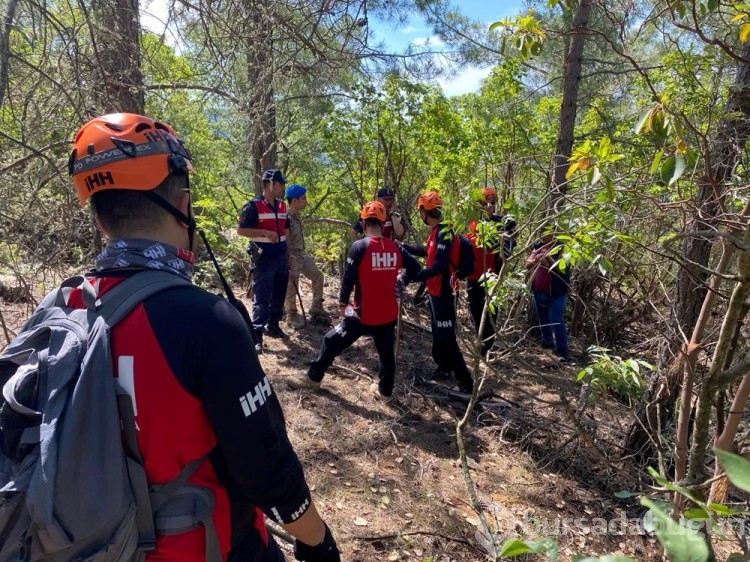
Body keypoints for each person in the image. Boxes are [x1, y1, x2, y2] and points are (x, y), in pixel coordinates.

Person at [67, 113, 340, 561]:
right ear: (184, 203)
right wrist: (318, 540)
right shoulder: (205, 320)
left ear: (100, 221)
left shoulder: (60, 310)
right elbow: (267, 469)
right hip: (211, 545)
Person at [287, 201, 421, 401]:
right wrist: (402, 280)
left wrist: (343, 305)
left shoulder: (359, 246)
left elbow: (348, 279)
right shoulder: (395, 248)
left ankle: (313, 378)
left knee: (330, 340)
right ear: (383, 222)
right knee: (386, 355)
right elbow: (416, 268)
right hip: (388, 314)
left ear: (363, 222)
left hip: (362, 314)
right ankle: (385, 392)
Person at [402, 191, 474, 394]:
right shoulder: (435, 231)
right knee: (437, 332)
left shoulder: (445, 232)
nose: (420, 216)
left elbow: (441, 265)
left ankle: (466, 383)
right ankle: (444, 367)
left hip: (444, 290)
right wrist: (403, 247)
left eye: (421, 212)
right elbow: (428, 252)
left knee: (447, 337)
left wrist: (416, 276)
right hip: (434, 290)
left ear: (426, 212)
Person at [238, 168, 291, 352]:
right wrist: (264, 233)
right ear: (270, 184)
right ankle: (257, 335)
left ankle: (274, 326)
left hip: (281, 256)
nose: (282, 187)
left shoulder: (283, 206)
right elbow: (241, 230)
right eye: (280, 184)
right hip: (264, 258)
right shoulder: (252, 206)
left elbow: (287, 231)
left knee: (279, 293)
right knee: (262, 296)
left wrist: (289, 255)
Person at [465, 187, 517, 355]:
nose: (491, 206)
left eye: (493, 203)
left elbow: (507, 250)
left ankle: (486, 347)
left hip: (491, 278)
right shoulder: (472, 224)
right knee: (476, 311)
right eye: (488, 202)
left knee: (490, 314)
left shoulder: (501, 224)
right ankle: (480, 342)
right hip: (473, 277)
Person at [284, 183, 330, 327]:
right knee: (292, 285)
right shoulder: (287, 217)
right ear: (295, 200)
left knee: (318, 276)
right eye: (303, 198)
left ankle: (316, 306)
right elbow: (286, 240)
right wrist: (288, 258)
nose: (306, 201)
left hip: (302, 254)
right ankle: (291, 314)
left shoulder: (296, 216)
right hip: (292, 255)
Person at [525, 231, 571, 360]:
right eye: (542, 233)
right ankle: (547, 343)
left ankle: (562, 349)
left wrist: (548, 257)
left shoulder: (563, 248)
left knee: (557, 319)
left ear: (554, 234)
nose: (543, 236)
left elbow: (561, 268)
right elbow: (528, 265)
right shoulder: (537, 246)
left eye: (546, 233)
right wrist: (537, 259)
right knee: (543, 318)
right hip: (539, 290)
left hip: (557, 292)